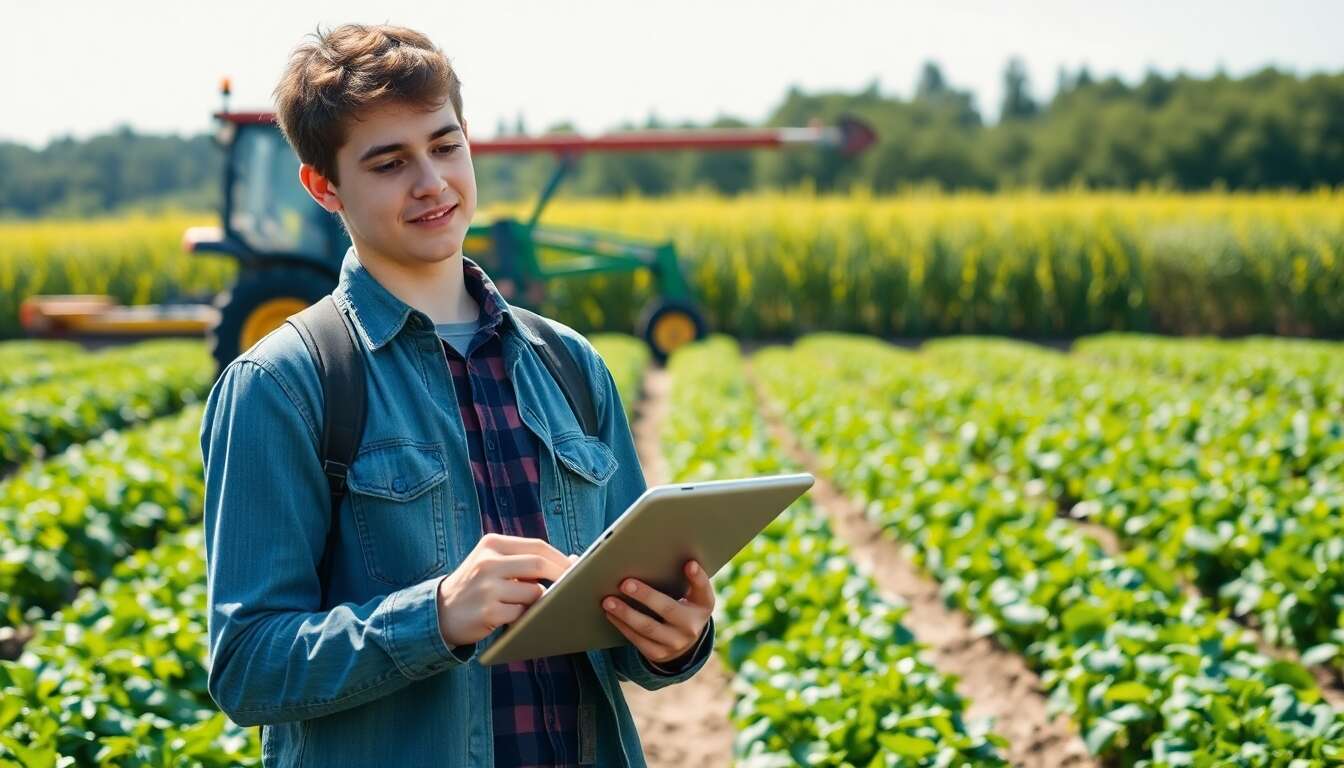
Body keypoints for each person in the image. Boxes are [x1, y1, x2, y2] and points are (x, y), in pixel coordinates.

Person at [200, 23, 715, 767]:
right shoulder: (283, 386)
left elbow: (622, 632)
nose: (431, 182)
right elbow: (247, 667)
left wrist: (674, 636)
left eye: (445, 146)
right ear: (324, 187)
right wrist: (434, 617)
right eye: (389, 162)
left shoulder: (570, 364)